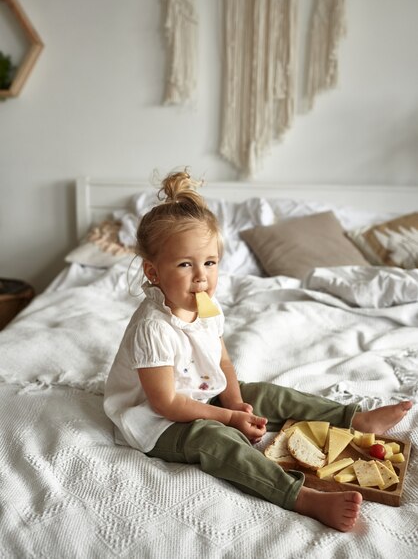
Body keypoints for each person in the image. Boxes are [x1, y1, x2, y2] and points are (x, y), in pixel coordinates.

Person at [104, 170, 412, 532]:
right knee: (213, 439)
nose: (201, 276)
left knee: (265, 394)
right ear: (153, 272)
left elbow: (221, 361)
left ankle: (353, 419)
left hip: (198, 393)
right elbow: (166, 404)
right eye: (185, 264)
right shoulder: (153, 328)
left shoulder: (206, 307)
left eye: (210, 262)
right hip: (155, 421)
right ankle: (301, 497)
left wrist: (234, 403)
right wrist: (229, 420)